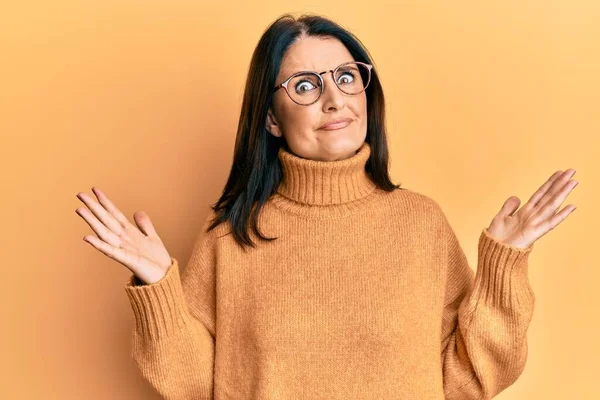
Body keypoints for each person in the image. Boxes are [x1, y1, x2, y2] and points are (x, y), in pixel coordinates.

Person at [75, 13, 578, 400]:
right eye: (306, 85)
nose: (335, 100)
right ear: (271, 119)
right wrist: (158, 283)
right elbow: (194, 384)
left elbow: (468, 379)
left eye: (346, 76)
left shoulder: (420, 223)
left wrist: (501, 268)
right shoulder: (232, 233)